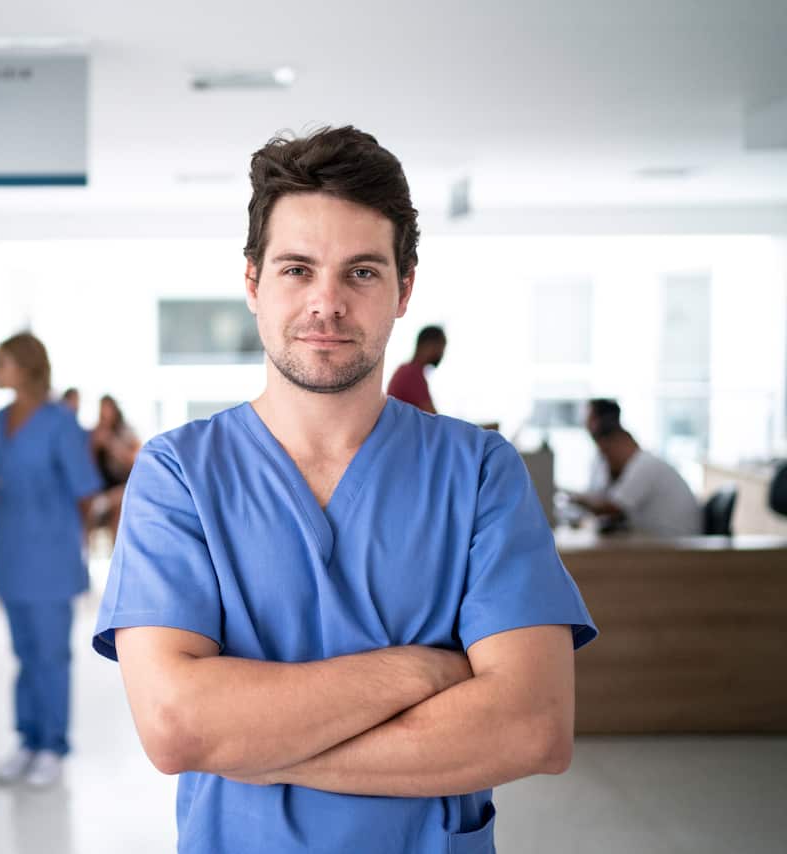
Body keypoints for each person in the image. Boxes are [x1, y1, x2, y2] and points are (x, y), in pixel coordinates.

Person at [92, 126, 597, 853]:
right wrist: (425, 669)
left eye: (361, 272)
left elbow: (533, 727)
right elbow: (178, 727)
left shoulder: (480, 470)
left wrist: (255, 746)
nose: (326, 303)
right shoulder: (179, 474)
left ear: (404, 290)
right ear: (252, 283)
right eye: (298, 269)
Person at [0, 333, 103, 787]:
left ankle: (53, 746)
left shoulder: (60, 422)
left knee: (51, 655)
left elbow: (85, 491)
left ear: (26, 366)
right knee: (24, 654)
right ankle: (28, 740)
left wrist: (73, 544)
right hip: (11, 553)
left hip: (51, 557)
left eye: (2, 363)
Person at [567, 398, 702, 537]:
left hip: (680, 546)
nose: (606, 459)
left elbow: (611, 508)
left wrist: (572, 497)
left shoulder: (645, 465)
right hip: (662, 543)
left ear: (620, 442)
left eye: (607, 451)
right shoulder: (636, 464)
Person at [88, 394, 141, 537]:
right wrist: (95, 446)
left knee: (118, 509)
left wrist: (111, 444)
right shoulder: (94, 433)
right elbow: (87, 467)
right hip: (101, 487)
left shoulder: (127, 432)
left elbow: (136, 461)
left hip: (123, 487)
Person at [386, 324, 445, 413]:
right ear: (429, 345)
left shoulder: (407, 370)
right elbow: (433, 417)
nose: (442, 352)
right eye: (441, 346)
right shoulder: (412, 374)